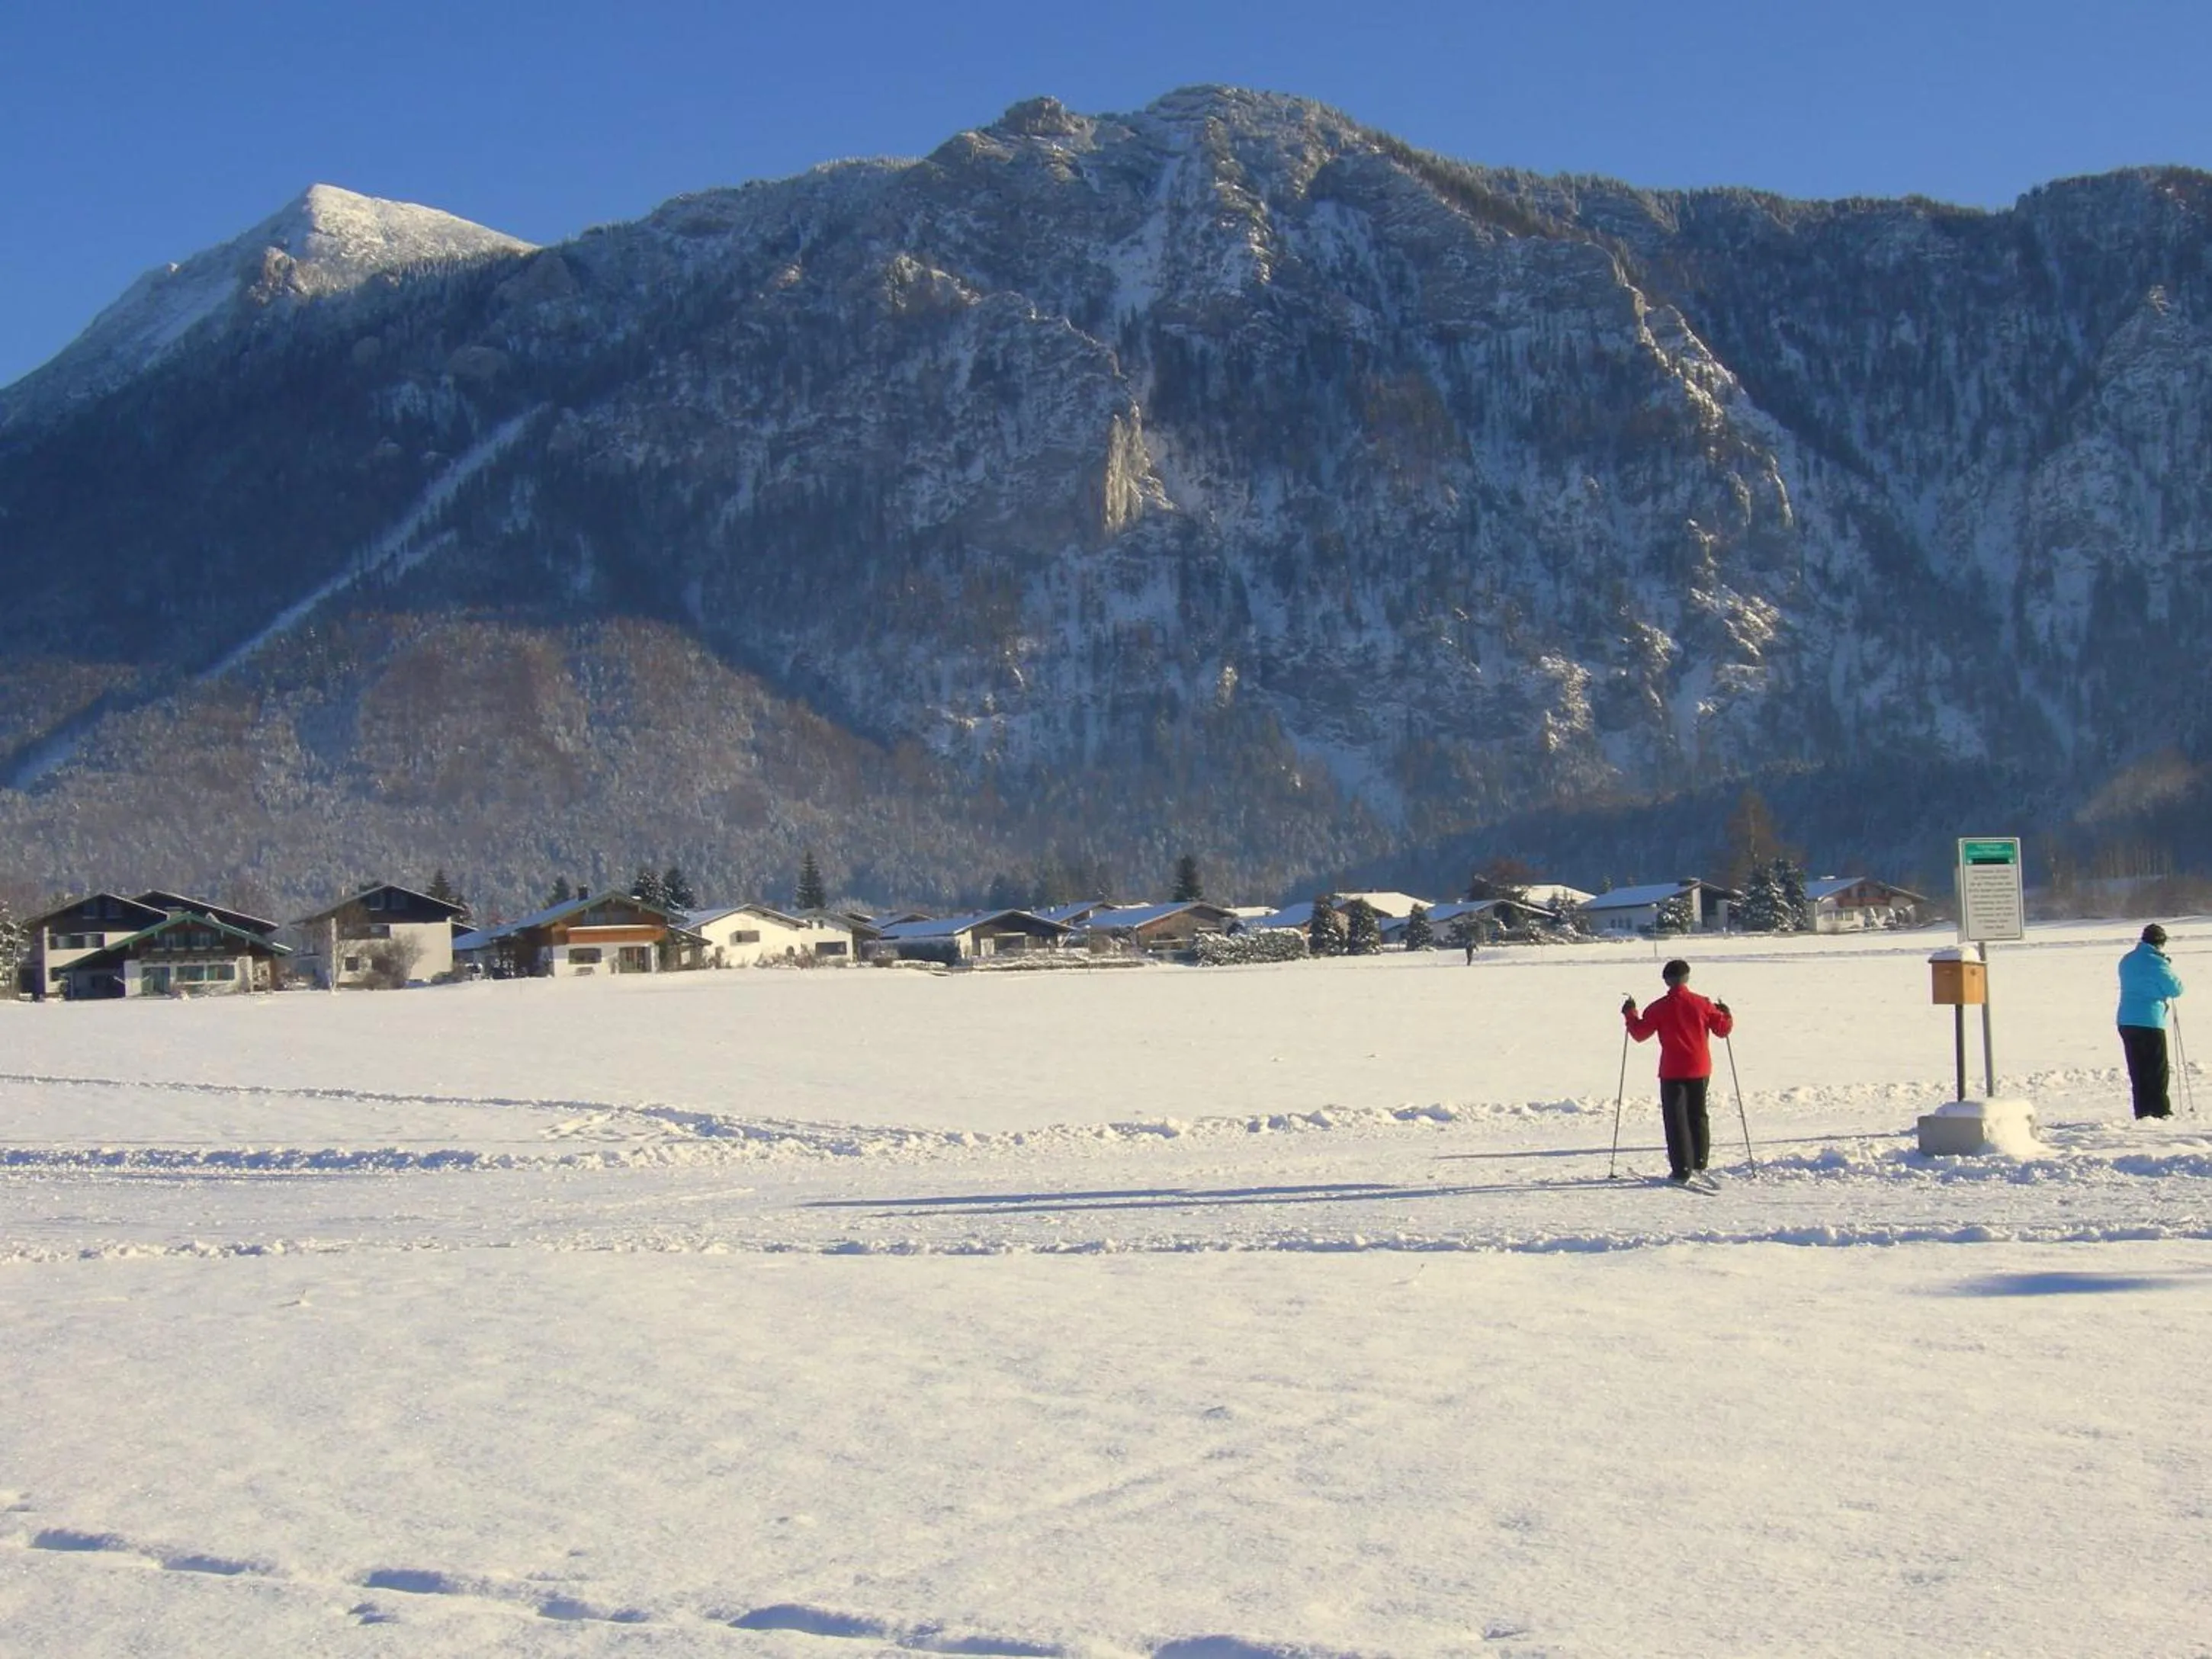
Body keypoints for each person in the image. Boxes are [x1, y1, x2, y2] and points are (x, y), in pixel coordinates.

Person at [1623, 958, 1735, 1182]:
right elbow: (1722, 1030)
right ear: (1687, 978)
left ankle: (1682, 1168)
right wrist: (1726, 1013)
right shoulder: (1702, 1003)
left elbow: (1639, 1034)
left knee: (1676, 1120)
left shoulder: (1658, 1007)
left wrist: (1630, 1014)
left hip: (1672, 1071)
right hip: (1700, 1067)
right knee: (1698, 1114)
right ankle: (1699, 1161)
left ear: (1666, 981)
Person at [2117, 924, 2185, 1120]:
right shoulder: (2157, 963)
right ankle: (2160, 1109)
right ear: (2160, 942)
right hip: (2150, 1020)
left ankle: (2142, 1109)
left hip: (2126, 1020)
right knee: (2156, 1067)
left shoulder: (2127, 960)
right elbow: (2176, 989)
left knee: (2137, 1067)